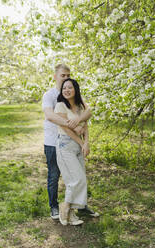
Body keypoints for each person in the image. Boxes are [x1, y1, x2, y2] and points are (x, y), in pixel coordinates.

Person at [42, 64, 99, 220]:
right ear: (55, 76)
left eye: (68, 76)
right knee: (54, 176)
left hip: (73, 142)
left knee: (77, 175)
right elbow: (50, 116)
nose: (66, 78)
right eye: (63, 76)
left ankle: (80, 206)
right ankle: (54, 206)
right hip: (54, 142)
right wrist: (72, 125)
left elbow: (87, 111)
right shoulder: (49, 95)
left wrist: (79, 121)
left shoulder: (72, 92)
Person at [54, 78, 90, 225]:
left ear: (75, 89)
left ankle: (71, 214)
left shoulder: (80, 107)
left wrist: (87, 143)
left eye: (69, 87)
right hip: (65, 145)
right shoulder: (60, 106)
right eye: (64, 88)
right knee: (78, 179)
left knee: (75, 181)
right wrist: (81, 142)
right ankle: (65, 206)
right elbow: (66, 129)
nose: (66, 90)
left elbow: (86, 126)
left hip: (79, 147)